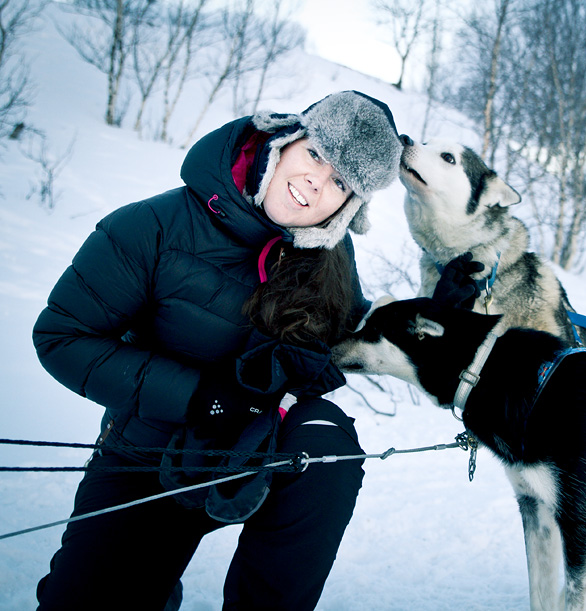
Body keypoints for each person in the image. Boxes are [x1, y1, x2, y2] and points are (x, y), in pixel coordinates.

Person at [31, 90, 403, 610]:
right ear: (285, 140)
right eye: (317, 154)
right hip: (150, 457)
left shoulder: (329, 255)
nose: (318, 181)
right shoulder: (153, 227)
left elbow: (348, 332)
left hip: (259, 448)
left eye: (341, 181)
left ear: (347, 206)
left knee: (327, 444)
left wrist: (437, 324)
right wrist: (202, 396)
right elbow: (62, 337)